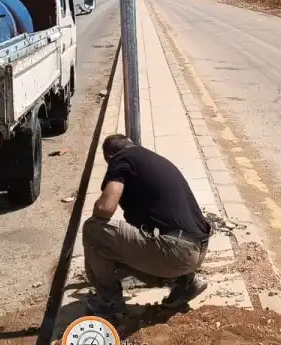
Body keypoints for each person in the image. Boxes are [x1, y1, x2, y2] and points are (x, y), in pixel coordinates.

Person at [81, 134, 212, 318]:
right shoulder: (152, 159)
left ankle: (109, 302)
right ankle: (185, 283)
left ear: (109, 157)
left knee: (93, 229)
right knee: (121, 244)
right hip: (198, 250)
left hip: (176, 252)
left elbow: (105, 208)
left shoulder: (121, 159)